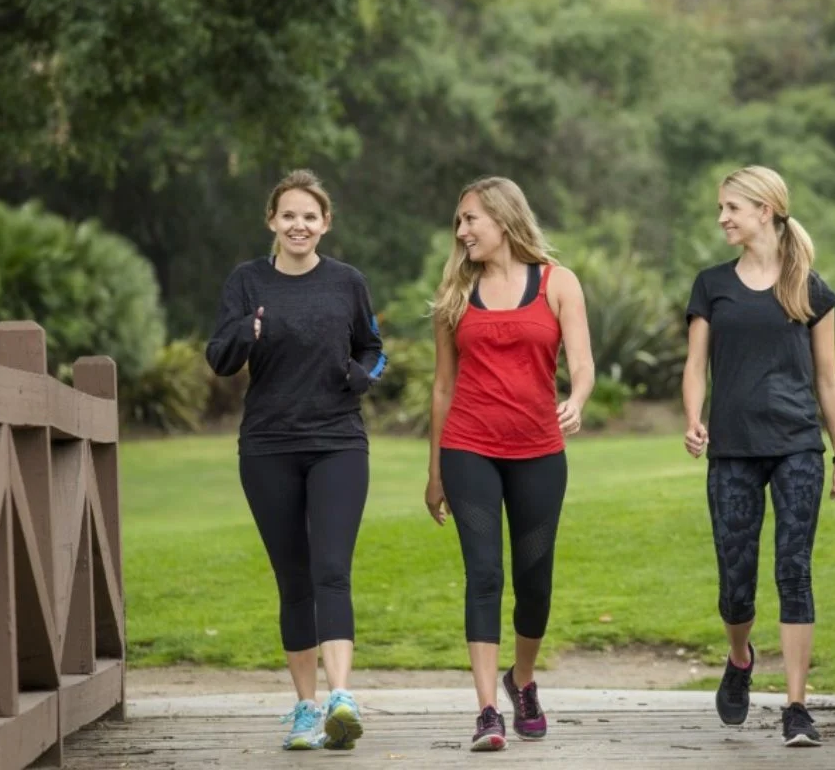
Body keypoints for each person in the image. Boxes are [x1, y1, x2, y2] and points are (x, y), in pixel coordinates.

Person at [205, 168, 386, 752]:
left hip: (337, 442)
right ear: (272, 222)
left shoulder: (347, 282)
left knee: (332, 567)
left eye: (310, 216)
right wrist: (247, 333)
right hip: (268, 447)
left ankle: (341, 699)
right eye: (289, 215)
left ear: (325, 223)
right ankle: (305, 710)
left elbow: (373, 347)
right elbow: (219, 358)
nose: (299, 225)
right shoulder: (246, 282)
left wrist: (359, 376)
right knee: (294, 580)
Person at [681, 165, 835, 748]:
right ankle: (741, 657)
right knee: (736, 584)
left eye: (731, 207)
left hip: (798, 447)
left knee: (794, 570)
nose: (722, 217)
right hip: (731, 450)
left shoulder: (810, 288)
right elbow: (694, 366)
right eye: (721, 208)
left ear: (765, 210)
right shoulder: (712, 284)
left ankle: (797, 707)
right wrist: (693, 418)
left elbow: (829, 381)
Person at [424, 176, 595, 752]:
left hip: (539, 452)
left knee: (534, 580)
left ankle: (521, 681)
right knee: (484, 575)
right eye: (459, 221)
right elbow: (442, 388)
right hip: (469, 446)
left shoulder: (557, 282)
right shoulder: (454, 291)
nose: (462, 230)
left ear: (503, 219)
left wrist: (576, 399)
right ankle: (487, 712)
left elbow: (584, 362)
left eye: (471, 219)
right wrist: (434, 472)